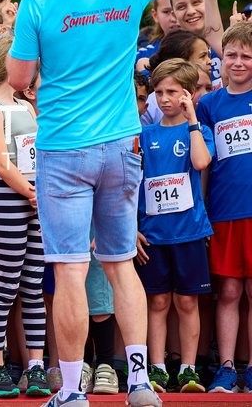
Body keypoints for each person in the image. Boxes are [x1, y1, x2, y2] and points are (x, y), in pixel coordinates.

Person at [7, 0, 177, 407]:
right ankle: (140, 383)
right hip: (121, 141)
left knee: (70, 268)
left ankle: (71, 390)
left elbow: (17, 78)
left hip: (65, 146)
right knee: (121, 263)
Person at [0, 34, 48, 398]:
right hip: (8, 198)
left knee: (33, 286)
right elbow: (1, 163)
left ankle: (36, 365)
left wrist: (41, 193)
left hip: (36, 200)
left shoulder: (26, 106)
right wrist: (31, 193)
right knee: (6, 282)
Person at [135, 59, 213, 394]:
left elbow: (200, 161)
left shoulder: (199, 131)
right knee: (157, 303)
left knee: (187, 302)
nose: (164, 99)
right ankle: (156, 368)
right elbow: (130, 183)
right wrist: (132, 226)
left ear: (190, 94)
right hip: (153, 234)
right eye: (159, 92)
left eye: (173, 92)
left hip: (189, 232)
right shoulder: (144, 134)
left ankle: (188, 370)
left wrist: (192, 120)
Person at [195, 22, 252, 393]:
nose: (238, 62)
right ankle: (227, 367)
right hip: (224, 210)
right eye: (231, 55)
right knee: (229, 291)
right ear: (221, 58)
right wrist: (201, 210)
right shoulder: (209, 104)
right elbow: (204, 164)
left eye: (247, 56)